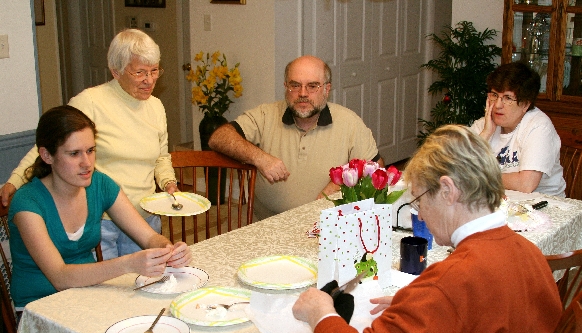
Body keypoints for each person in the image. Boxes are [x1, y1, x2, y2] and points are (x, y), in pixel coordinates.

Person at [292, 125, 562, 333]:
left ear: (448, 190)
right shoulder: (529, 253)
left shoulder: (449, 285)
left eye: (419, 202)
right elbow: (478, 313)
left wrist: (322, 315)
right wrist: (418, 307)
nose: (419, 216)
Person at [1, 29, 177, 259]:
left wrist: (168, 181)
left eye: (154, 71)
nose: (150, 80)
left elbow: (161, 157)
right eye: (140, 72)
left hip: (145, 217)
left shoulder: (156, 107)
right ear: (116, 71)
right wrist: (14, 181)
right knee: (106, 289)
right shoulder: (90, 102)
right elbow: (49, 144)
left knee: (147, 284)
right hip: (100, 219)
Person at [8, 105, 191, 311]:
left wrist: (168, 249)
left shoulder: (99, 184)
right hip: (39, 308)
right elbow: (60, 277)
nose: (87, 163)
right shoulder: (27, 203)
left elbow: (148, 237)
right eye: (74, 153)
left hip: (87, 293)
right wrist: (128, 264)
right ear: (47, 155)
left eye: (90, 150)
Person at [207, 55, 383, 220]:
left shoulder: (349, 122)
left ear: (327, 89)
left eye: (312, 86)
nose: (303, 93)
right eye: (295, 85)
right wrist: (259, 157)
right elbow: (218, 137)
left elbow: (376, 168)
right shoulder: (265, 115)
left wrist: (340, 184)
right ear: (286, 87)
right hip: (267, 224)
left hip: (325, 224)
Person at [470, 62, 566, 196]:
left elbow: (526, 184)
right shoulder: (484, 124)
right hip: (498, 201)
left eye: (508, 98)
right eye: (494, 95)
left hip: (542, 205)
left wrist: (479, 177)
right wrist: (485, 134)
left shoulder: (539, 126)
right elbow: (456, 170)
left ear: (525, 104)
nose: (497, 105)